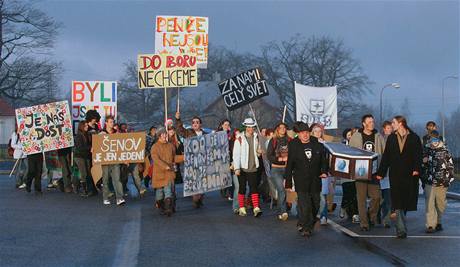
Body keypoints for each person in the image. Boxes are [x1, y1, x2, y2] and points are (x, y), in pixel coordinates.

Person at [377, 115, 422, 239]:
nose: (392, 124)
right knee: (397, 201)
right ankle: (401, 229)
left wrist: (417, 169)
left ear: (401, 123)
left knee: (405, 200)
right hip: (395, 174)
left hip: (409, 174)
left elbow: (418, 155)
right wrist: (381, 173)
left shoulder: (414, 138)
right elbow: (386, 157)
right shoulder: (391, 138)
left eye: (394, 122)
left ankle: (401, 221)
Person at [284, 122, 328, 237]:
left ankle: (305, 222)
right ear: (298, 134)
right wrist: (288, 182)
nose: (305, 135)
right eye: (302, 133)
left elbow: (324, 160)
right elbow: (290, 164)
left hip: (315, 179)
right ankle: (307, 228)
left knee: (316, 204)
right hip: (300, 179)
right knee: (305, 203)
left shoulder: (317, 143)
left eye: (307, 133)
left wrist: (324, 171)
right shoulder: (294, 145)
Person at [349, 114, 384, 231]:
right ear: (363, 124)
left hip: (374, 172)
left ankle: (371, 215)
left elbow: (384, 153)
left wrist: (383, 170)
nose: (372, 124)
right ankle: (364, 223)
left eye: (373, 122)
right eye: (369, 122)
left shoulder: (378, 136)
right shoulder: (356, 136)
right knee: (361, 199)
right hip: (360, 172)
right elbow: (349, 153)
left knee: (377, 197)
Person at [422, 130, 454, 233]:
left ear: (438, 139)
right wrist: (423, 162)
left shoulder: (445, 150)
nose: (432, 141)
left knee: (440, 204)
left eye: (434, 139)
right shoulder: (426, 150)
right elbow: (421, 165)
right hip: (429, 181)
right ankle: (430, 225)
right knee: (429, 204)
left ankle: (438, 221)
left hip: (442, 182)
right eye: (431, 139)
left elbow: (450, 166)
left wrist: (449, 180)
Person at [175, 112, 208, 208]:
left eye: (197, 122)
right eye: (193, 122)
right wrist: (178, 119)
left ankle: (200, 198)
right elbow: (179, 130)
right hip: (192, 161)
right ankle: (195, 199)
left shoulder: (206, 134)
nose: (195, 124)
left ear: (200, 124)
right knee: (194, 180)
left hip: (203, 160)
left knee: (202, 181)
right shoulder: (188, 132)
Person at [233, 118, 263, 217]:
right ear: (245, 127)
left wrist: (259, 153)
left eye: (252, 127)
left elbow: (257, 152)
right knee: (242, 188)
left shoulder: (256, 137)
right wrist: (236, 168)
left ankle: (256, 208)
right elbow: (236, 154)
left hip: (253, 166)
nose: (250, 129)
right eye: (248, 127)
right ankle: (241, 207)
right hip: (242, 167)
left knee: (254, 187)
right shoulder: (239, 138)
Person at [267, 122, 291, 221]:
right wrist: (280, 159)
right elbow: (269, 155)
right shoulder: (273, 141)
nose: (282, 129)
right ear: (277, 129)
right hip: (276, 168)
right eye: (280, 128)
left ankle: (280, 210)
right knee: (281, 190)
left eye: (284, 127)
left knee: (287, 190)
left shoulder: (290, 140)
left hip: (288, 168)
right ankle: (283, 211)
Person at [151, 127, 176, 216]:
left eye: (166, 134)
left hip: (169, 173)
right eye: (163, 134)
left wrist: (184, 158)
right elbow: (155, 159)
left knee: (168, 191)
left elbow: (174, 158)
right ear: (159, 136)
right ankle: (162, 206)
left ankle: (168, 209)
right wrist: (164, 166)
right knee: (159, 195)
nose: (165, 135)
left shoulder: (171, 146)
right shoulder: (155, 147)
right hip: (159, 174)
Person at [100, 116, 125, 206]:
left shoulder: (117, 133)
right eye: (110, 122)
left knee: (117, 179)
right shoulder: (101, 134)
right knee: (105, 179)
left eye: (113, 122)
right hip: (105, 160)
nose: (112, 123)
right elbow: (97, 146)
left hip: (115, 160)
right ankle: (105, 197)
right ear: (106, 123)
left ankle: (119, 198)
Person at [339, 128, 360, 223]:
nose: (350, 136)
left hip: (356, 173)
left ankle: (355, 214)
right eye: (348, 135)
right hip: (345, 173)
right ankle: (343, 207)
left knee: (355, 194)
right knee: (347, 193)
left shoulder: (358, 145)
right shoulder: (342, 145)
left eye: (351, 135)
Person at [74, 121, 96, 197]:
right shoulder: (79, 136)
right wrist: (90, 148)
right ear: (81, 126)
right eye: (85, 126)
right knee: (84, 173)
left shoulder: (87, 134)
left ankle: (88, 189)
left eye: (87, 125)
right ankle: (84, 190)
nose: (87, 127)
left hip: (86, 156)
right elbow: (80, 147)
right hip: (79, 156)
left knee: (88, 173)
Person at [380, 121, 393, 228]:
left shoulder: (395, 139)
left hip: (391, 174)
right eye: (388, 128)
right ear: (384, 129)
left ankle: (386, 219)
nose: (390, 130)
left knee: (388, 199)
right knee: (380, 198)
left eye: (391, 128)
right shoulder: (380, 139)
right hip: (382, 173)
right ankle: (376, 215)